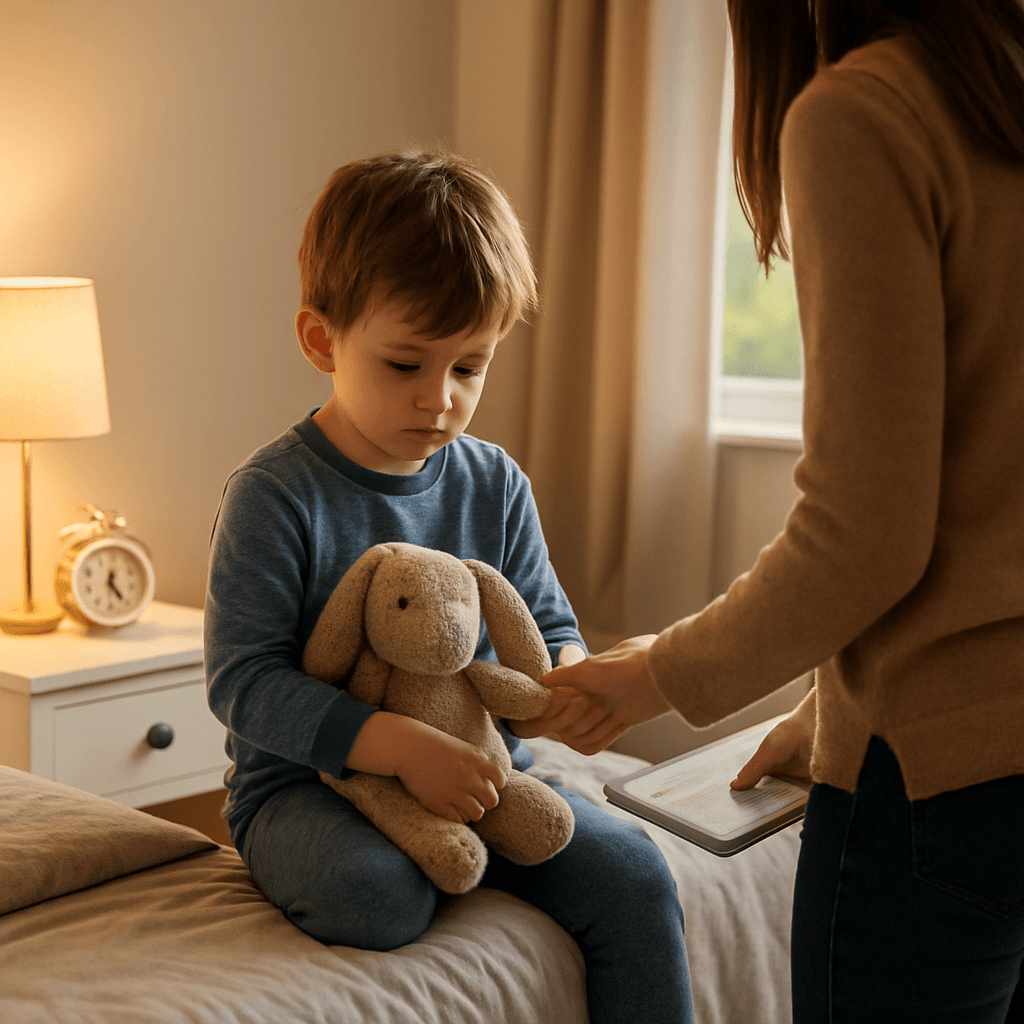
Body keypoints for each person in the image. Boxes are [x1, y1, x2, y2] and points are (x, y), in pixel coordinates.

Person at [545, 3, 1024, 1022]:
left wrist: (653, 673)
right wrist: (826, 710)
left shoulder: (867, 112)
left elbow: (864, 536)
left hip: (945, 782)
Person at [204, 151, 694, 1024]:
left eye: (470, 368)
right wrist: (394, 748)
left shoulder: (493, 482)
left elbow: (542, 624)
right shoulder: (275, 494)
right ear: (323, 339)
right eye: (406, 365)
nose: (440, 399)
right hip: (309, 787)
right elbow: (244, 684)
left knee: (635, 874)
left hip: (484, 768)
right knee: (379, 897)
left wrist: (568, 683)